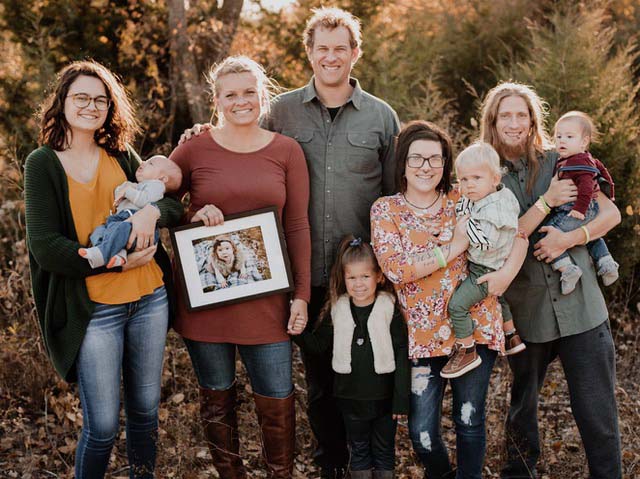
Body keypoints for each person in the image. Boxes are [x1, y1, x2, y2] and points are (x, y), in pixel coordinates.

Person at [180, 10, 399, 476]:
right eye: (323, 47)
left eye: (341, 47)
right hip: (302, 274)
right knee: (319, 383)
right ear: (310, 52)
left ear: (355, 53)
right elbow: (233, 138)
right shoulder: (282, 112)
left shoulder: (381, 117)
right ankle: (330, 465)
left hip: (360, 273)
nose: (332, 56)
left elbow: (394, 196)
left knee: (365, 375)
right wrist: (197, 135)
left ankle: (368, 464)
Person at [24, 60, 184, 478]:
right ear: (62, 102)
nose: (92, 106)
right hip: (95, 310)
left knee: (146, 413)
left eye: (101, 99)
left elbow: (170, 202)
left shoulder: (119, 153)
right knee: (103, 427)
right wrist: (114, 263)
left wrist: (150, 214)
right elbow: (46, 248)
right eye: (82, 97)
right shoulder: (42, 163)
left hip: (149, 298)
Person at [168, 55, 311, 479]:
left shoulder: (287, 150)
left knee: (277, 399)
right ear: (217, 100)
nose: (241, 101)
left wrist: (300, 295)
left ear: (262, 95)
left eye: (250, 91)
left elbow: (298, 225)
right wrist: (190, 216)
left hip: (268, 303)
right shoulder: (193, 147)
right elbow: (159, 205)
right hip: (206, 303)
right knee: (217, 400)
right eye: (231, 94)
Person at [477, 82, 622, 479]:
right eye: (505, 114)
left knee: (598, 414)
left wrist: (569, 238)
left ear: (533, 120)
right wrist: (545, 204)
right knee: (522, 409)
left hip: (582, 309)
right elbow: (499, 243)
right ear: (492, 121)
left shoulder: (561, 161)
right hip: (527, 313)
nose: (514, 122)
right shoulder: (483, 178)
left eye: (522, 114)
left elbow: (610, 216)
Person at [371, 120, 528, 479]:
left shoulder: (468, 196)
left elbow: (517, 234)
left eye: (435, 158)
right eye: (417, 158)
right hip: (422, 337)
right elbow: (396, 270)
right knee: (422, 433)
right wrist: (453, 248)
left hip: (473, 327)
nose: (426, 166)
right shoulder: (385, 210)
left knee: (469, 419)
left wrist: (505, 276)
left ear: (445, 164)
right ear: (402, 163)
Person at [292, 235, 410, 479]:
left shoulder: (389, 308)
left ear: (379, 276)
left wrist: (401, 399)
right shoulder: (338, 308)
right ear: (343, 279)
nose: (358, 284)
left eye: (365, 276)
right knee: (358, 450)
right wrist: (296, 331)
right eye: (352, 277)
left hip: (385, 399)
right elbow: (317, 345)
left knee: (384, 451)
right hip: (349, 398)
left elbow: (401, 354)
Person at [442, 142, 524, 379]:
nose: (468, 185)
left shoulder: (495, 210)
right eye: (463, 179)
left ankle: (467, 349)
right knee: (499, 298)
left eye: (476, 178)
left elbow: (484, 240)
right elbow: (466, 204)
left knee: (457, 305)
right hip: (497, 262)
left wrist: (460, 229)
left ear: (495, 177)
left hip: (485, 269)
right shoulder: (495, 195)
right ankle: (511, 335)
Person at [543, 110, 618, 294]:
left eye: (569, 136)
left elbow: (585, 187)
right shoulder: (586, 158)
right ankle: (607, 263)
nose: (562, 140)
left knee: (549, 234)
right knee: (592, 237)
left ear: (584, 142)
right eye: (558, 136)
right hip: (589, 208)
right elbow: (604, 173)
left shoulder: (578, 162)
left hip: (576, 208)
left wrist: (579, 209)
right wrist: (611, 192)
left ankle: (567, 269)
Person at [78, 154, 182, 268]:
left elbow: (144, 200)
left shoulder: (157, 186)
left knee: (120, 230)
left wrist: (128, 191)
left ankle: (102, 254)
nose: (142, 162)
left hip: (133, 223)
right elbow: (119, 193)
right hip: (121, 219)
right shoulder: (141, 185)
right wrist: (126, 187)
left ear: (163, 179)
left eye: (150, 163)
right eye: (145, 160)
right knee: (100, 230)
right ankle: (117, 254)